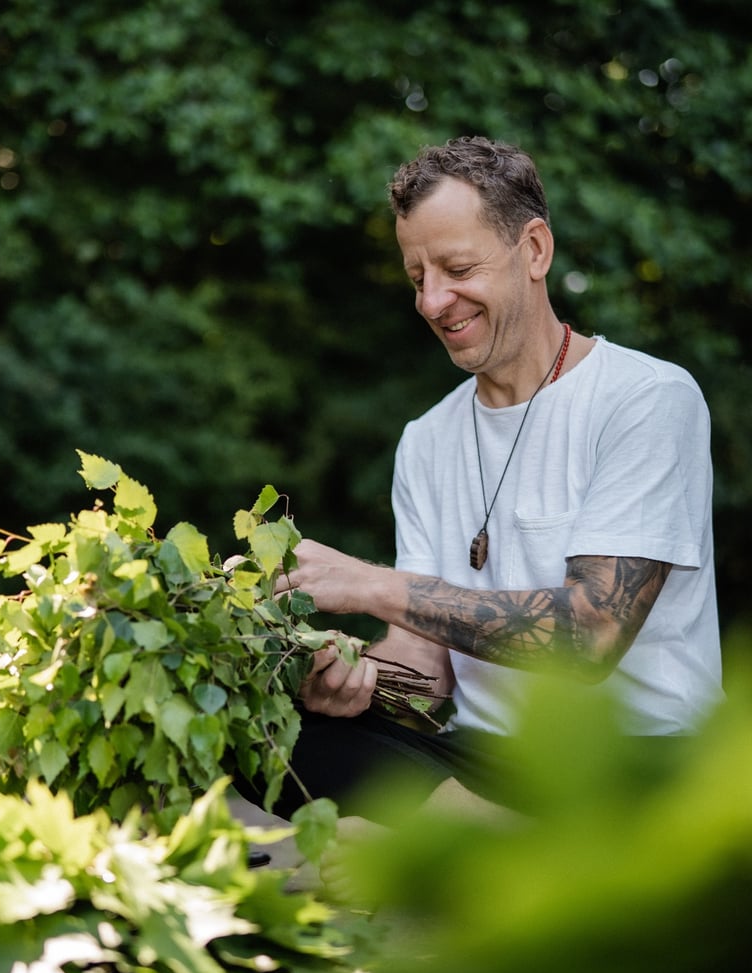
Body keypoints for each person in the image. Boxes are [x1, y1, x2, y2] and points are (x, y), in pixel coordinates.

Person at [263, 135, 723, 826]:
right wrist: (344, 676)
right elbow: (427, 670)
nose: (432, 301)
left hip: (638, 758)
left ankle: (468, 843)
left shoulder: (648, 398)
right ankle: (496, 839)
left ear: (534, 250)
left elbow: (589, 635)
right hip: (486, 761)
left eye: (456, 267)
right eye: (417, 276)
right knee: (277, 732)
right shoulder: (426, 440)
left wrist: (368, 583)